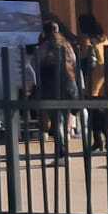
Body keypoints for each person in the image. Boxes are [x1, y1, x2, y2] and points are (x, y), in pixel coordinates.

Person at [29, 17, 80, 158]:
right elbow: (75, 61)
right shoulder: (66, 45)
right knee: (63, 117)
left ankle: (61, 150)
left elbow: (34, 65)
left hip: (50, 86)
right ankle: (63, 147)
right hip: (69, 83)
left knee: (56, 120)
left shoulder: (44, 46)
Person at [76, 13, 108, 152]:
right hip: (103, 70)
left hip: (93, 72)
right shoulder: (103, 37)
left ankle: (104, 136)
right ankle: (101, 138)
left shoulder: (88, 39)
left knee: (91, 104)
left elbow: (86, 58)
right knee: (95, 104)